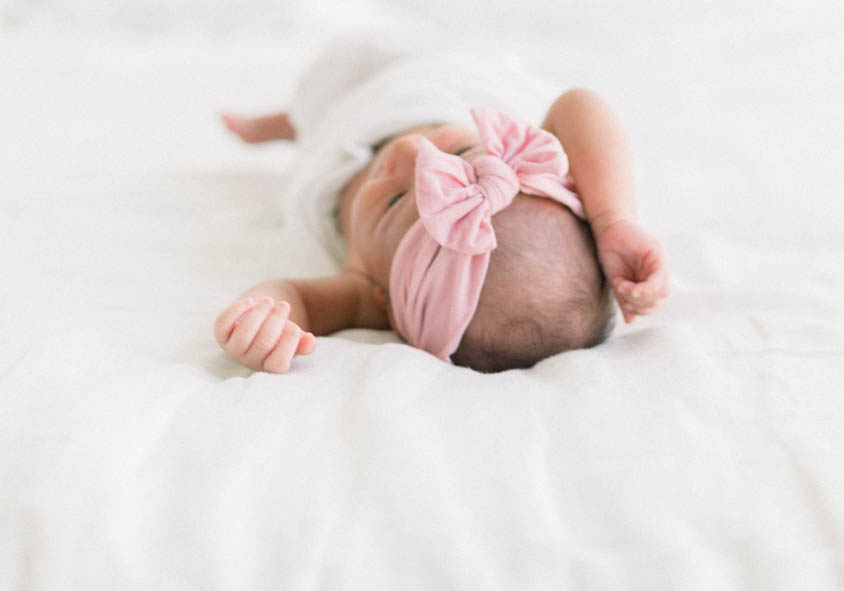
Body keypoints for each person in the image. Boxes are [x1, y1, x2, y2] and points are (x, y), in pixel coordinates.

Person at [213, 29, 669, 374]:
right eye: (459, 155)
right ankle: (291, 120)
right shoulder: (535, 161)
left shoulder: (366, 289)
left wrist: (258, 322)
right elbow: (578, 104)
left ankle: (289, 125)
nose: (409, 153)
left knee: (321, 104)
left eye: (393, 202)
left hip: (342, 123)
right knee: (366, 51)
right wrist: (613, 219)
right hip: (431, 81)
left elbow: (295, 297)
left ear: (384, 300)